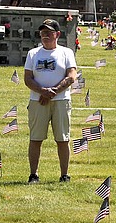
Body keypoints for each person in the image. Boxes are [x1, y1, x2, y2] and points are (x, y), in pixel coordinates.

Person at [24, 18, 78, 184]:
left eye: (49, 32)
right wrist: (42, 91)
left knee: (62, 138)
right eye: (42, 33)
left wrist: (52, 92)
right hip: (37, 101)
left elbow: (71, 76)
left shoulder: (66, 52)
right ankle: (33, 174)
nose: (45, 36)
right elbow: (28, 78)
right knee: (36, 138)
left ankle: (64, 175)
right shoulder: (33, 54)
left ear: (57, 34)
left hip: (61, 101)